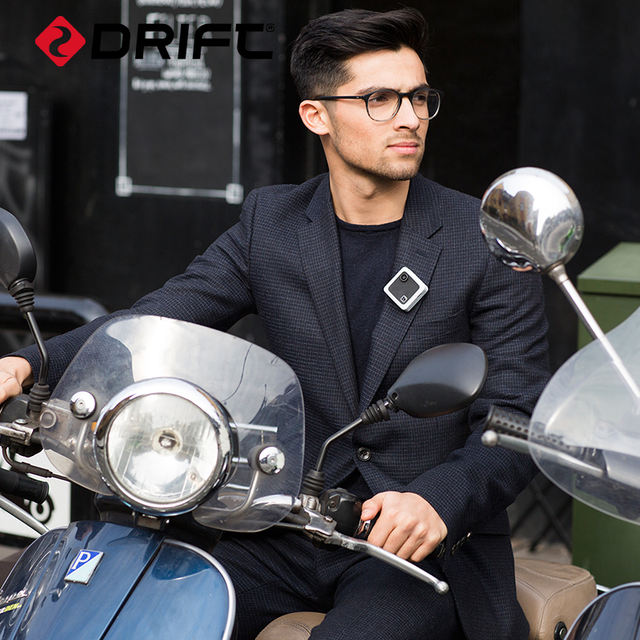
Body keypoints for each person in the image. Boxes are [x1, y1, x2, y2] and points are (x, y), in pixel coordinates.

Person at [0, 8, 548, 639]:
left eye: (419, 97)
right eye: (380, 99)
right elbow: (161, 314)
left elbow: (517, 419)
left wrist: (437, 501)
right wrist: (27, 363)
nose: (409, 117)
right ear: (317, 115)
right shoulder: (273, 224)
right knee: (142, 620)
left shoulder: (484, 241)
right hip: (281, 525)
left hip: (413, 548)